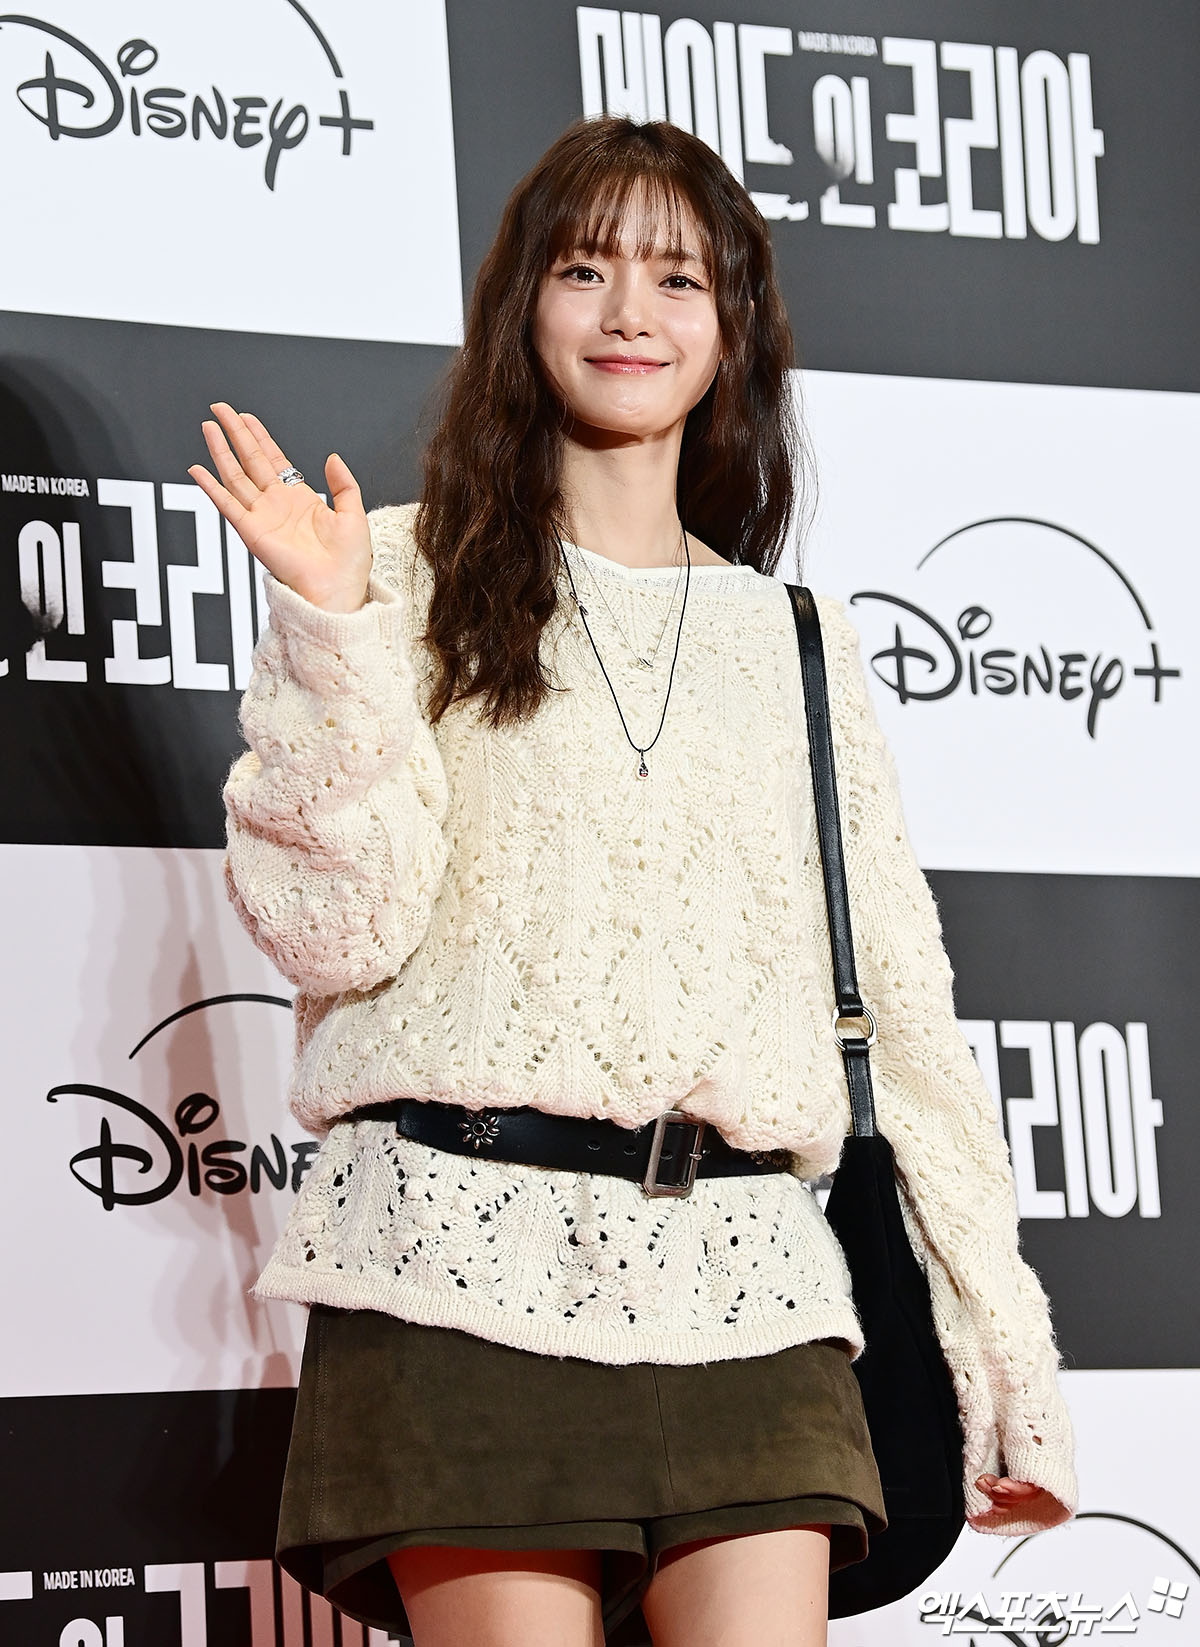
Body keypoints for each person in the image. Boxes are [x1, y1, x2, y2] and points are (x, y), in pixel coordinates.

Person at [188, 115, 1077, 1647]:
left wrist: (1006, 1359)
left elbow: (906, 1022)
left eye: (677, 278)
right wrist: (331, 631)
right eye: (584, 269)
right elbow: (337, 928)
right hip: (452, 1273)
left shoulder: (798, 642)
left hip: (753, 1288)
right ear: (521, 305)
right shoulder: (388, 574)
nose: (628, 314)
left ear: (732, 330)